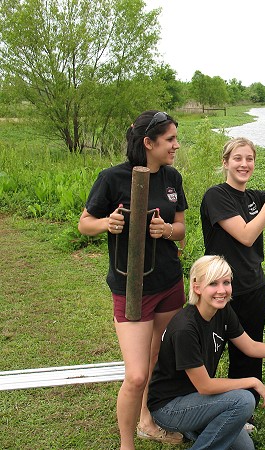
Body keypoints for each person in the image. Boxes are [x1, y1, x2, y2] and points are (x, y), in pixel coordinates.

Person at [78, 110, 187, 449]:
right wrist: (106, 224)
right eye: (170, 140)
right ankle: (127, 444)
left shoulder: (173, 178)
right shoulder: (112, 178)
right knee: (137, 374)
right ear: (148, 143)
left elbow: (181, 228)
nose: (175, 146)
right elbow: (85, 223)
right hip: (131, 288)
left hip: (169, 284)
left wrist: (167, 230)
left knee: (157, 358)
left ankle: (146, 421)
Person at [147, 255, 265, 449]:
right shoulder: (185, 329)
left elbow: (251, 346)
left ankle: (197, 427)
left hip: (197, 399)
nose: (222, 290)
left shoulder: (222, 311)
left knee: (245, 448)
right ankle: (195, 431)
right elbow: (206, 386)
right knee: (243, 401)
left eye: (226, 282)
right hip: (170, 408)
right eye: (213, 283)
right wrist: (252, 381)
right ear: (197, 287)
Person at [200, 137, 265, 406]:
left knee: (250, 351)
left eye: (249, 159)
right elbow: (246, 235)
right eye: (238, 158)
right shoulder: (216, 196)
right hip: (220, 291)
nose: (244, 164)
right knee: (211, 352)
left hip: (253, 286)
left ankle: (245, 407)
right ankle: (198, 406)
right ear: (226, 163)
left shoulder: (254, 197)